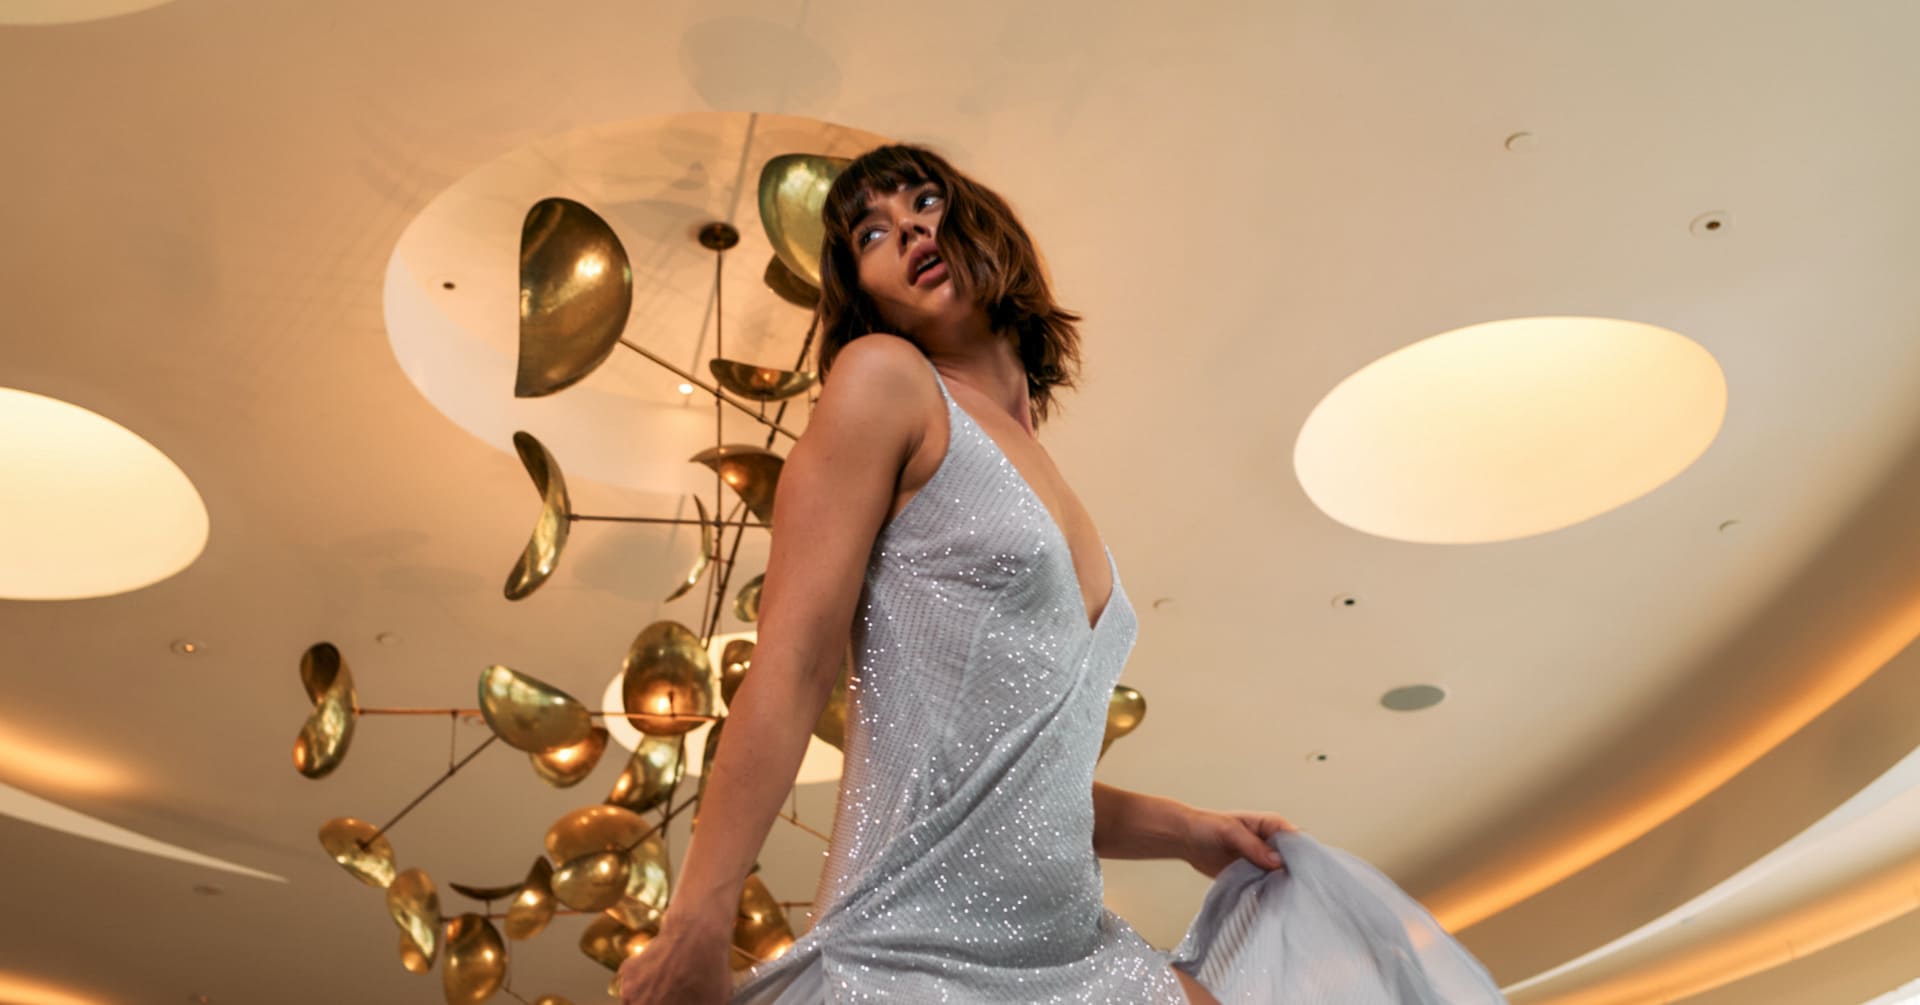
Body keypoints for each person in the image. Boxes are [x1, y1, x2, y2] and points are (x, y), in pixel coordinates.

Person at [617, 145, 1506, 1004]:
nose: (911, 232)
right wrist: (696, 918)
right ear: (865, 297)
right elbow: (796, 660)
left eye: (924, 202)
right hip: (916, 955)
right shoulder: (886, 380)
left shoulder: (1043, 467)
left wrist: (1190, 830)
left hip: (1078, 950)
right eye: (873, 235)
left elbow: (1018, 774)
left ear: (978, 220)